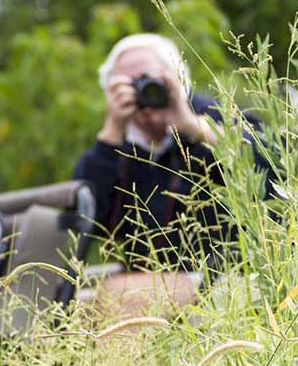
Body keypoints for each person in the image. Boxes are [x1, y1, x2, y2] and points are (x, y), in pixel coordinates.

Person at [72, 33, 274, 317]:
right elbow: (81, 224)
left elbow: (274, 162)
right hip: (149, 280)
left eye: (149, 79)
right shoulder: (119, 148)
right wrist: (110, 134)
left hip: (226, 275)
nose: (141, 91)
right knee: (69, 310)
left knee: (120, 295)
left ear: (177, 79)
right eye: (127, 84)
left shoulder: (215, 115)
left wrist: (193, 126)